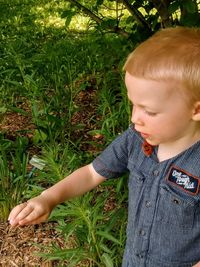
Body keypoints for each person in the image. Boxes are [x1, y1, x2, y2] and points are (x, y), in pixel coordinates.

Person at [8, 27, 200, 267]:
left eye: (149, 111)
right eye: (133, 104)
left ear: (196, 110)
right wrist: (48, 198)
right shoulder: (136, 139)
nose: (135, 118)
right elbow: (91, 173)